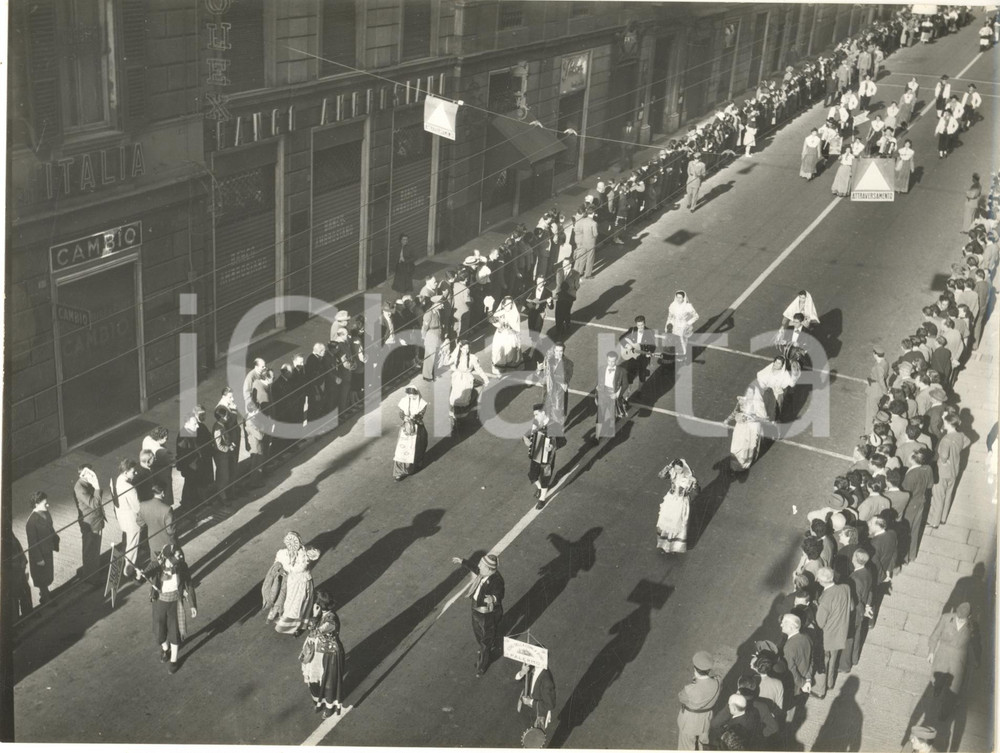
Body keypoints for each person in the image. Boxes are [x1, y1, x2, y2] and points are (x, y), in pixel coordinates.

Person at [144, 543, 197, 674]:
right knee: (159, 633)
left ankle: (174, 660)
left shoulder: (182, 566)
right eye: (171, 562)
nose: (173, 566)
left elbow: (189, 585)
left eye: (176, 562)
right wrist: (138, 575)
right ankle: (165, 647)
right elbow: (142, 576)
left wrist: (192, 605)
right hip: (159, 603)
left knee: (175, 632)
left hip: (175, 602)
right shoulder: (156, 565)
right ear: (165, 559)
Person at [451, 553, 505, 677]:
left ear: (490, 569)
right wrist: (462, 561)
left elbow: (500, 593)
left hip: (487, 614)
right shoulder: (483, 572)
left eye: (482, 565)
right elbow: (474, 568)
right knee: (478, 633)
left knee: (486, 641)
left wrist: (493, 598)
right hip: (476, 608)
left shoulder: (497, 580)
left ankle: (482, 665)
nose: (479, 566)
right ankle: (484, 649)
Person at [927, 602, 981, 721]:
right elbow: (935, 635)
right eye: (958, 617)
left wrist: (977, 659)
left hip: (958, 662)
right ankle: (937, 689)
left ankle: (944, 712)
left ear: (969, 617)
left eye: (963, 619)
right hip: (942, 656)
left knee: (954, 689)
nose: (960, 620)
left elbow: (976, 645)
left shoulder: (972, 626)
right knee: (938, 680)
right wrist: (931, 652)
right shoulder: (946, 618)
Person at [299, 590, 345, 718]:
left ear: (319, 605)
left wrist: (314, 615)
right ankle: (319, 702)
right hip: (317, 651)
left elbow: (314, 632)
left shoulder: (331, 620)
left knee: (329, 682)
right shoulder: (324, 614)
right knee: (314, 680)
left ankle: (329, 708)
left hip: (329, 654)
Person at [264, 531, 321, 635]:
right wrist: (280, 570)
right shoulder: (283, 554)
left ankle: (296, 626)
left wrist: (308, 550)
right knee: (292, 604)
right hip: (292, 583)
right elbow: (277, 565)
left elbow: (315, 554)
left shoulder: (305, 552)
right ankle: (290, 626)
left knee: (300, 603)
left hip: (303, 583)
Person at [813, 567, 852, 698]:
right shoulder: (845, 588)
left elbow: (820, 622)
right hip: (840, 633)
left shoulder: (825, 600)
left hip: (827, 636)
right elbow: (850, 607)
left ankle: (820, 690)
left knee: (823, 662)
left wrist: (818, 608)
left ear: (821, 581)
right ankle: (830, 683)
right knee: (833, 659)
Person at [928, 415, 971, 527]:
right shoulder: (961, 435)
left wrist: (943, 461)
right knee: (948, 494)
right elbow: (968, 442)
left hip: (943, 471)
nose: (944, 423)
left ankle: (934, 522)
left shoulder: (946, 439)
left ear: (950, 424)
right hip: (954, 470)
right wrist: (957, 450)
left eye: (945, 422)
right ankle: (943, 518)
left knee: (938, 496)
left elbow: (943, 455)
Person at [677, 651, 720, 750]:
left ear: (695, 669)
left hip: (690, 721)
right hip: (706, 719)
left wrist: (695, 683)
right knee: (704, 744)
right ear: (709, 669)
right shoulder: (717, 682)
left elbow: (681, 697)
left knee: (686, 746)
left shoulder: (690, 689)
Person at [655, 459, 699, 554]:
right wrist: (669, 467)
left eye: (680, 469)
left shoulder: (689, 477)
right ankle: (664, 545)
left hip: (682, 502)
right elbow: (660, 476)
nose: (678, 471)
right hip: (670, 500)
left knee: (677, 523)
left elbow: (697, 492)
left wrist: (695, 482)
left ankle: (674, 547)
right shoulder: (673, 474)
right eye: (676, 469)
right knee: (667, 521)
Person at [840, 550, 874, 673]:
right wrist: (868, 605)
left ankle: (845, 666)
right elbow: (870, 590)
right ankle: (854, 658)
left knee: (848, 639)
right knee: (857, 634)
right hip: (862, 609)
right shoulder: (867, 573)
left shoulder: (854, 579)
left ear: (855, 559)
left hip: (855, 611)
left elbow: (853, 599)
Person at [73, 464, 106, 586]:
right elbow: (95, 504)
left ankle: (93, 572)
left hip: (94, 520)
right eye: (90, 473)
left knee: (93, 549)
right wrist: (97, 487)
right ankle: (92, 577)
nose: (93, 475)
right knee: (91, 550)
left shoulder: (85, 484)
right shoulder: (80, 487)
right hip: (91, 522)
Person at [25, 491, 59, 605]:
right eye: (45, 503)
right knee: (42, 577)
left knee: (48, 573)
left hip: (47, 550)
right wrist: (39, 559)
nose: (47, 505)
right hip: (39, 554)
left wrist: (55, 539)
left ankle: (45, 593)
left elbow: (50, 527)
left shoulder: (45, 513)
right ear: (36, 504)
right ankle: (45, 598)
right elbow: (32, 543)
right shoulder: (31, 522)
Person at [725, 384, 767, 472]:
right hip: (740, 427)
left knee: (748, 449)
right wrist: (728, 420)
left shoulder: (758, 404)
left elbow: (763, 418)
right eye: (747, 392)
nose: (748, 394)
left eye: (751, 393)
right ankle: (734, 467)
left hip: (752, 429)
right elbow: (735, 411)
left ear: (754, 394)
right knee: (736, 447)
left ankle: (743, 467)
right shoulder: (741, 401)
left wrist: (751, 418)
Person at [524, 404, 558, 509]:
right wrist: (526, 440)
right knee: (532, 475)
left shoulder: (554, 425)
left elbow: (562, 441)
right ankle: (539, 488)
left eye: (536, 414)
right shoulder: (536, 423)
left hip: (548, 458)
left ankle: (542, 499)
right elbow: (528, 435)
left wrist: (552, 446)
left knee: (545, 478)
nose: (535, 417)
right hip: (536, 455)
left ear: (543, 413)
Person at [534, 342, 573, 434]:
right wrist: (539, 370)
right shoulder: (548, 359)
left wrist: (564, 382)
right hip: (547, 390)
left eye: (561, 351)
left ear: (563, 351)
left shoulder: (568, 363)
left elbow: (568, 377)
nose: (558, 353)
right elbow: (543, 376)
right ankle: (544, 428)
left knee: (558, 412)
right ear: (554, 351)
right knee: (545, 410)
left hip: (559, 392)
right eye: (557, 351)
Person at [393, 386, 429, 481]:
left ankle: (413, 467)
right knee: (402, 448)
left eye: (413, 396)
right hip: (406, 428)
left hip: (417, 428)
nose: (411, 398)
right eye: (409, 396)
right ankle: (399, 472)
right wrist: (404, 417)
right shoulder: (404, 401)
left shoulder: (422, 403)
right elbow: (401, 413)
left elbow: (421, 415)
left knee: (417, 447)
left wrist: (414, 417)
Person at [618, 315, 657, 400]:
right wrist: (626, 345)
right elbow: (621, 338)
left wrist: (649, 352)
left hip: (643, 357)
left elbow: (653, 346)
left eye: (642, 325)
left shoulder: (649, 332)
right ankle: (628, 394)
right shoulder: (632, 330)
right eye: (638, 325)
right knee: (630, 376)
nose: (640, 327)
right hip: (633, 357)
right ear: (636, 325)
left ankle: (639, 391)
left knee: (642, 374)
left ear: (644, 323)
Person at [139, 484, 176, 563]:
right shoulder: (167, 509)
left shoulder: (143, 505)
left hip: (152, 541)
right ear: (162, 493)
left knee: (155, 563)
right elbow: (171, 531)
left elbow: (140, 522)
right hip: (167, 543)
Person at [595, 351, 628, 441]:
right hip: (603, 394)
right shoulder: (602, 369)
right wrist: (596, 395)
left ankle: (611, 428)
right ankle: (597, 436)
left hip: (613, 395)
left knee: (612, 414)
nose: (610, 363)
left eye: (613, 361)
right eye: (609, 361)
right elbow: (598, 383)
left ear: (616, 361)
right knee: (600, 414)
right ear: (607, 360)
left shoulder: (622, 371)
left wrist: (616, 394)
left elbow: (625, 385)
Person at [516, 662, 556, 733]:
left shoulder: (546, 679)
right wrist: (522, 672)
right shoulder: (531, 668)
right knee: (524, 734)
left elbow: (550, 705)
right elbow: (518, 682)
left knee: (535, 740)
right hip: (526, 710)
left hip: (537, 714)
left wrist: (530, 702)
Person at [490, 296, 522, 372]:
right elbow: (493, 321)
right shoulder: (499, 313)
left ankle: (509, 370)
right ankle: (498, 369)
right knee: (498, 351)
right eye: (507, 304)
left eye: (510, 304)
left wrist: (507, 325)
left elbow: (515, 327)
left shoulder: (515, 313)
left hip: (510, 336)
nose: (509, 305)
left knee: (509, 352)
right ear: (503, 305)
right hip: (500, 335)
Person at [666, 291, 699, 359]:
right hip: (674, 326)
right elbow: (670, 317)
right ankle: (677, 355)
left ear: (683, 298)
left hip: (683, 327)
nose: (678, 299)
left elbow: (696, 316)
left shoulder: (688, 306)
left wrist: (688, 323)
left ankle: (683, 356)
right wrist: (668, 324)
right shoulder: (673, 305)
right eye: (677, 297)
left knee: (682, 341)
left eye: (680, 297)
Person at [553, 258, 580, 336]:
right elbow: (559, 283)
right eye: (563, 264)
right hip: (560, 294)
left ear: (570, 265)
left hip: (569, 296)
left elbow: (576, 286)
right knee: (558, 312)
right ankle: (559, 329)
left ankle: (567, 323)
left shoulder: (576, 273)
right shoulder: (559, 270)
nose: (564, 265)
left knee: (566, 311)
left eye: (566, 264)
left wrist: (576, 285)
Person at [573, 208, 599, 278]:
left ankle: (579, 272)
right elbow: (595, 234)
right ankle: (587, 274)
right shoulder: (594, 223)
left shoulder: (583, 220)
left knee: (583, 258)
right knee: (590, 259)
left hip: (583, 242)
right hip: (591, 243)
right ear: (593, 214)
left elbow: (581, 230)